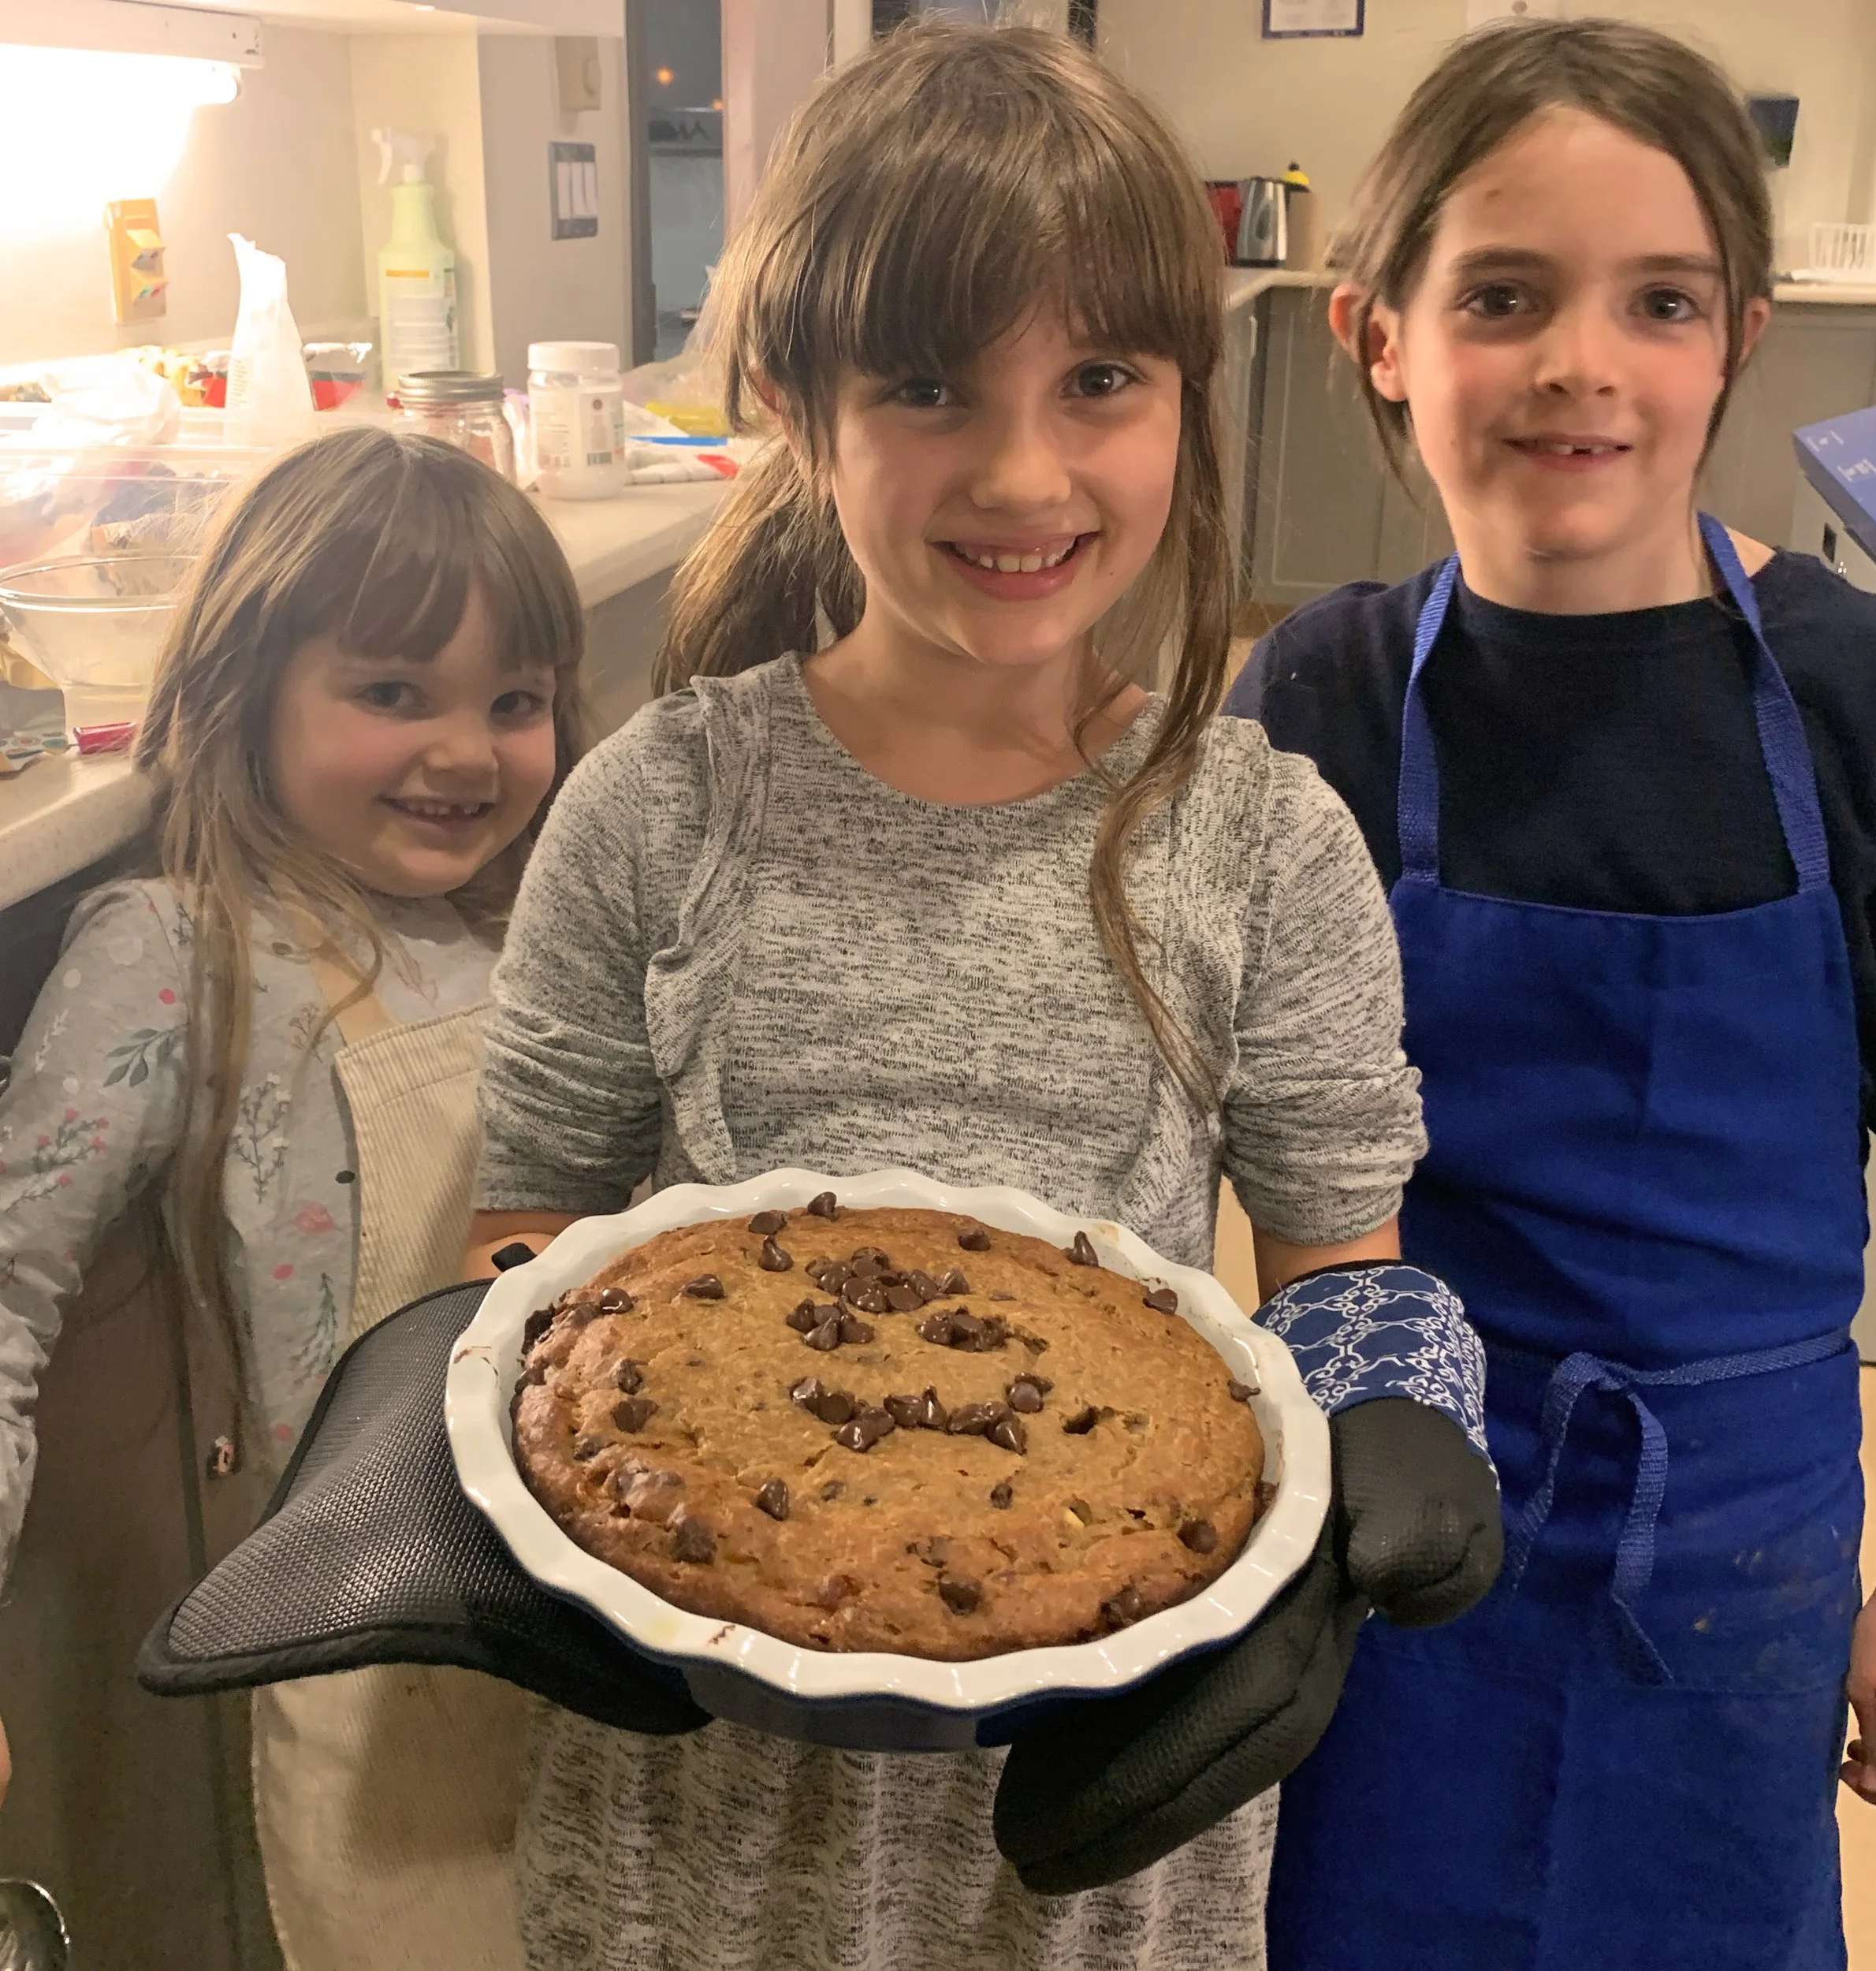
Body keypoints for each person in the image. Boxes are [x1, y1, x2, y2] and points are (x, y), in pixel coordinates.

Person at [463, 23, 1499, 1971]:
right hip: (696, 1799)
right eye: (928, 385)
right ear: (793, 401)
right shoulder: (657, 804)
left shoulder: (1260, 840)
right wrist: (475, 1444)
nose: (1023, 469)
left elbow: (1336, 1265)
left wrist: (1394, 1418)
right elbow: (539, 1221)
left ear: (1191, 394)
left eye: (1097, 378)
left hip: (1094, 1795)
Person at [1227, 19, 1876, 1969]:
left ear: (1732, 335)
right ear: (1373, 333)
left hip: (1732, 1545)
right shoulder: (1306, 699)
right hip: (1380, 1508)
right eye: (1500, 294)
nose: (1579, 361)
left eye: (1656, 300)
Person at [0, 426, 586, 1968]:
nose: (465, 750)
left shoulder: (542, 943)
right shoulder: (181, 951)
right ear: (242, 685)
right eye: (392, 691)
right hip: (347, 1650)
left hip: (570, 1623)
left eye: (511, 701)